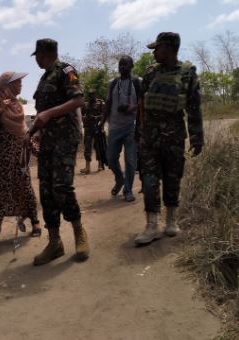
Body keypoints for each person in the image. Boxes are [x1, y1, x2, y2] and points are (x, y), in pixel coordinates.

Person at [134, 32, 204, 246]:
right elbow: (142, 104)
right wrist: (139, 131)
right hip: (149, 138)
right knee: (149, 180)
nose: (154, 52)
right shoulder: (150, 73)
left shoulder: (187, 73)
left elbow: (194, 107)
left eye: (157, 48)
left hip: (174, 137)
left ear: (170, 49)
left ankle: (171, 221)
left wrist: (196, 137)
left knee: (173, 178)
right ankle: (152, 225)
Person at [27, 38, 89, 265]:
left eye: (38, 56)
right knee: (46, 189)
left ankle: (79, 232)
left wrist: (50, 114)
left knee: (62, 186)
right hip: (48, 142)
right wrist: (30, 132)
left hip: (66, 139)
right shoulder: (44, 78)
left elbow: (78, 100)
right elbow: (42, 114)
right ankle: (55, 243)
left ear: (46, 53)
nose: (37, 60)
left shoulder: (67, 71)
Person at [0, 71, 42, 249]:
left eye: (21, 82)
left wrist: (34, 149)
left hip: (17, 158)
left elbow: (23, 133)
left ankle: (35, 221)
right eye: (18, 82)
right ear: (7, 84)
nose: (21, 85)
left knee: (24, 188)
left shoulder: (17, 105)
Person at [100, 56, 141, 202]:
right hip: (115, 127)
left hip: (131, 126)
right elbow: (108, 103)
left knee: (130, 160)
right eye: (120, 65)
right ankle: (120, 179)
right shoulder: (113, 83)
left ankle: (128, 190)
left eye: (125, 64)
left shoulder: (137, 82)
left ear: (132, 66)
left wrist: (133, 108)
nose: (122, 67)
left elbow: (144, 102)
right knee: (111, 159)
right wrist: (102, 122)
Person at [80, 89, 105, 174]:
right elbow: (82, 115)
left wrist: (96, 117)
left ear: (95, 95)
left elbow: (104, 115)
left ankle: (100, 165)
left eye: (93, 95)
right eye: (90, 95)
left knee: (98, 146)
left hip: (97, 128)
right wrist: (85, 118)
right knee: (87, 147)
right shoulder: (85, 104)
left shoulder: (100, 103)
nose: (91, 97)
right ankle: (87, 167)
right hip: (88, 129)